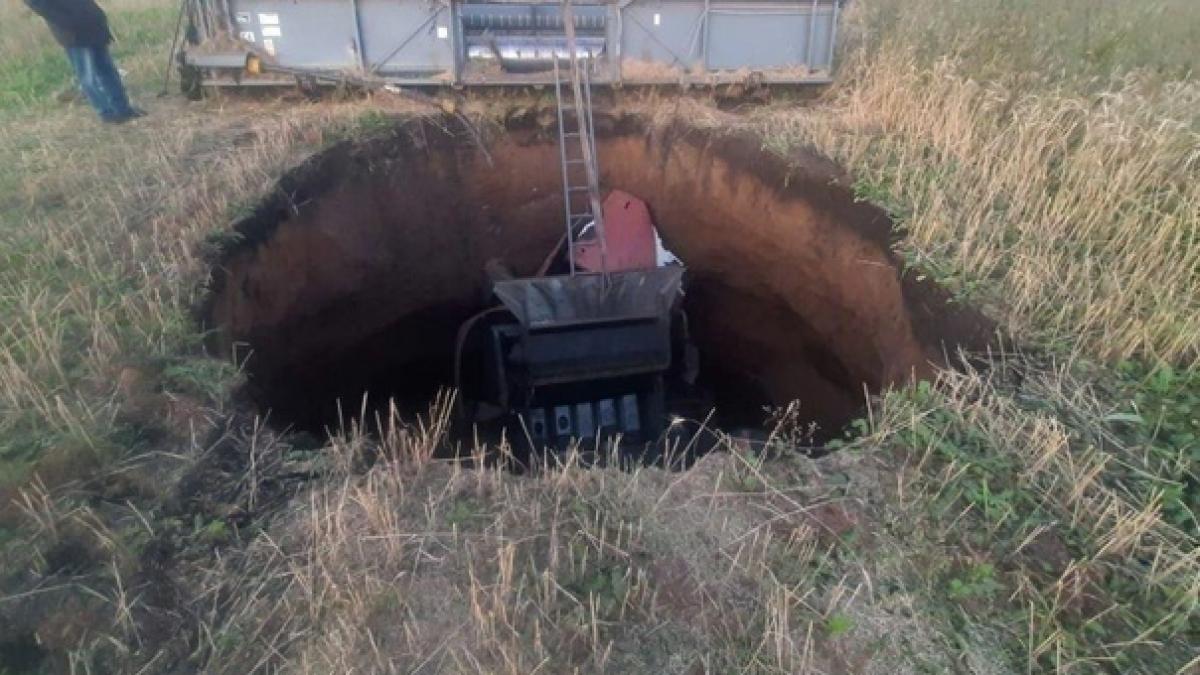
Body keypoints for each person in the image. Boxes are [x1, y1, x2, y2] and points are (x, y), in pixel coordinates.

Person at [24, 0, 145, 123]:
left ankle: (123, 109)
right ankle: (107, 113)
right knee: (88, 76)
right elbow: (39, 5)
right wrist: (68, 21)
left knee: (108, 70)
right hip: (73, 33)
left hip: (93, 23)